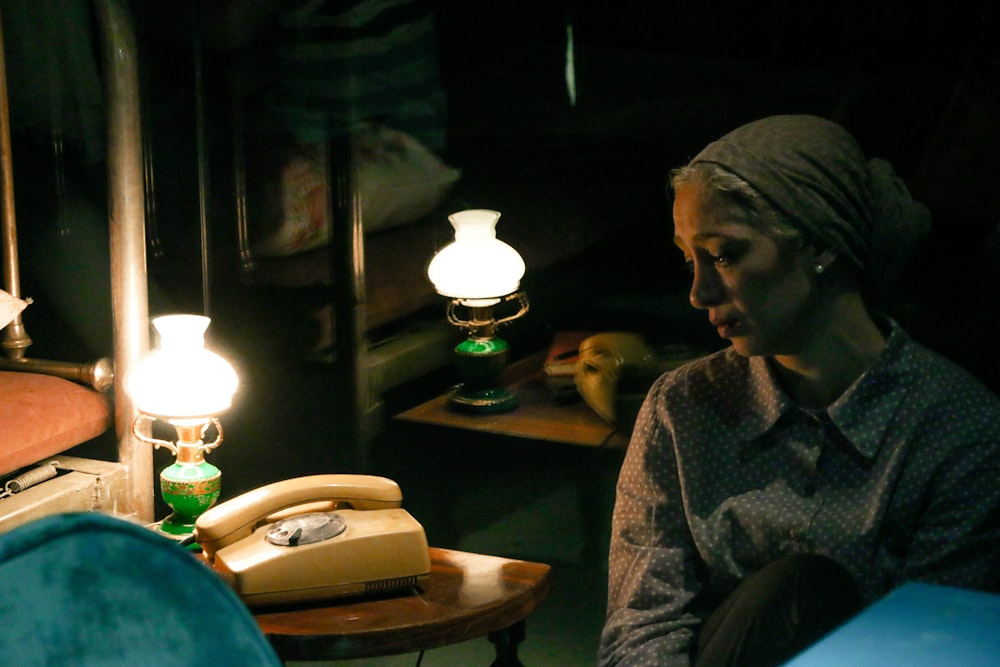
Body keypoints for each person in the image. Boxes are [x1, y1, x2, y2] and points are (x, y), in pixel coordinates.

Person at [598, 114, 1000, 667]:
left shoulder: (956, 427)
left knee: (802, 589)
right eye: (689, 259)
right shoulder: (683, 406)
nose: (698, 291)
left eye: (723, 254)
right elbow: (644, 621)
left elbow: (939, 645)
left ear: (820, 245)